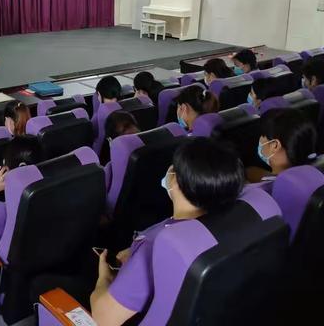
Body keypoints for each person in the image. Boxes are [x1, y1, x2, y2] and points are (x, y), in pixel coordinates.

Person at [90, 137, 244, 325]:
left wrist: (103, 279)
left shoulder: (155, 246)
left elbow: (103, 318)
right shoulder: (235, 225)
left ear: (176, 181)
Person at [247, 108, 317, 183]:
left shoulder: (261, 189)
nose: (260, 139)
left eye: (262, 135)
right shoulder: (315, 173)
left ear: (275, 146)